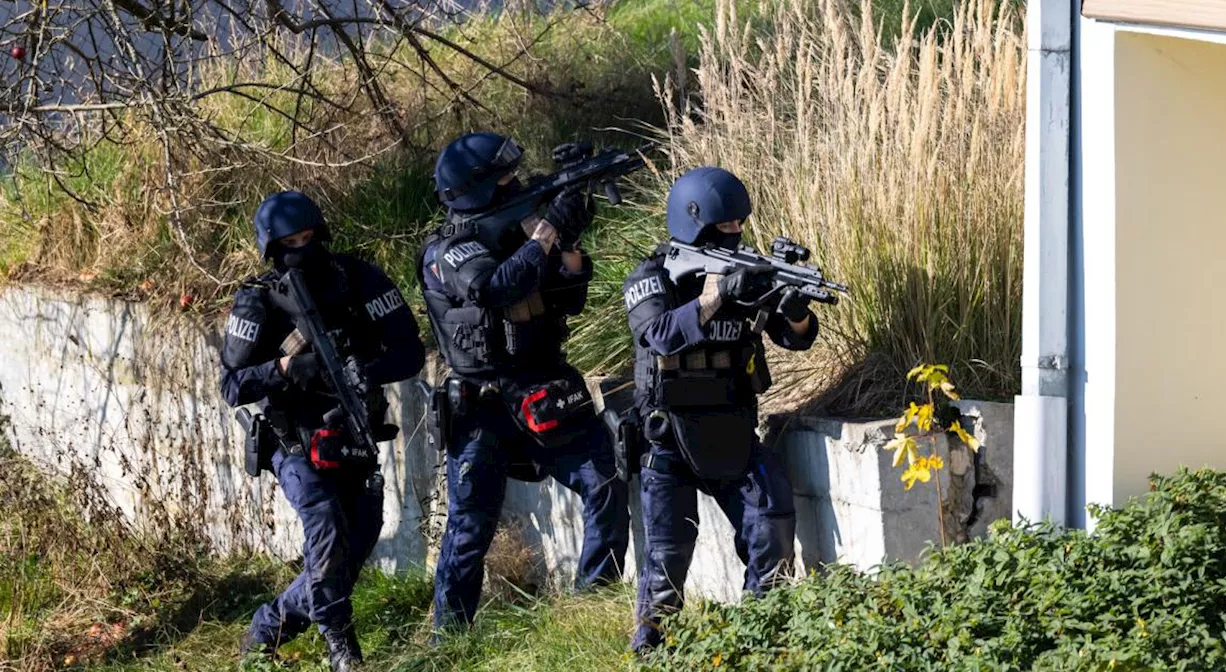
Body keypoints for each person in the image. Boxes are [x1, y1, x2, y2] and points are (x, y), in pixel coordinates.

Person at [417, 132, 630, 633]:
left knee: (605, 481)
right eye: (504, 178)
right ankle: (448, 642)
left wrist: (569, 243)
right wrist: (547, 230)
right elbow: (496, 286)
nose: (516, 183)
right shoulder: (448, 251)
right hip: (482, 406)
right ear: (474, 191)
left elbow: (569, 297)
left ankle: (591, 609)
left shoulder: (520, 233)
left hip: (544, 389)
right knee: (470, 529)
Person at [221, 191, 425, 670]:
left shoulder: (359, 279)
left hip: (353, 434)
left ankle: (270, 626)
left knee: (357, 542)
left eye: (309, 237)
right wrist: (287, 367)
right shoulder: (257, 300)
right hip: (293, 439)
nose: (302, 247)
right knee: (327, 530)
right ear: (272, 248)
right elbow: (232, 384)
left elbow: (410, 352)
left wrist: (363, 370)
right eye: (291, 242)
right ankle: (342, 647)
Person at [621, 166, 819, 652]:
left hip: (731, 431)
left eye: (738, 226)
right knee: (668, 556)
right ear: (694, 227)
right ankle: (651, 653)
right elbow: (658, 335)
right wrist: (713, 298)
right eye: (723, 229)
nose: (735, 235)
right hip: (668, 439)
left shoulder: (746, 276)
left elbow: (799, 341)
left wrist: (793, 311)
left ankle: (759, 640)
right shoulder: (652, 276)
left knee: (771, 524)